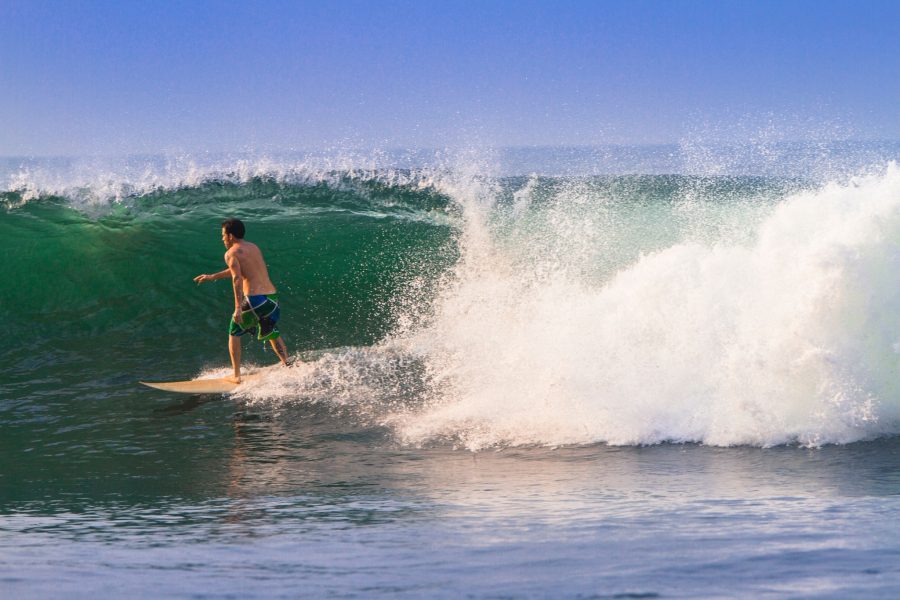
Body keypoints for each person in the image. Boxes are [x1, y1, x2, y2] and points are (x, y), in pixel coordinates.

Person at [194, 218, 290, 383]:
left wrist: (238, 308)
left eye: (223, 235)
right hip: (272, 299)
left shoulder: (230, 253)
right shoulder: (253, 247)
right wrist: (212, 277)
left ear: (230, 236)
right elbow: (238, 269)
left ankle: (236, 375)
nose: (222, 238)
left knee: (234, 332)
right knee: (271, 331)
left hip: (255, 300)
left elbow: (237, 278)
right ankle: (287, 364)